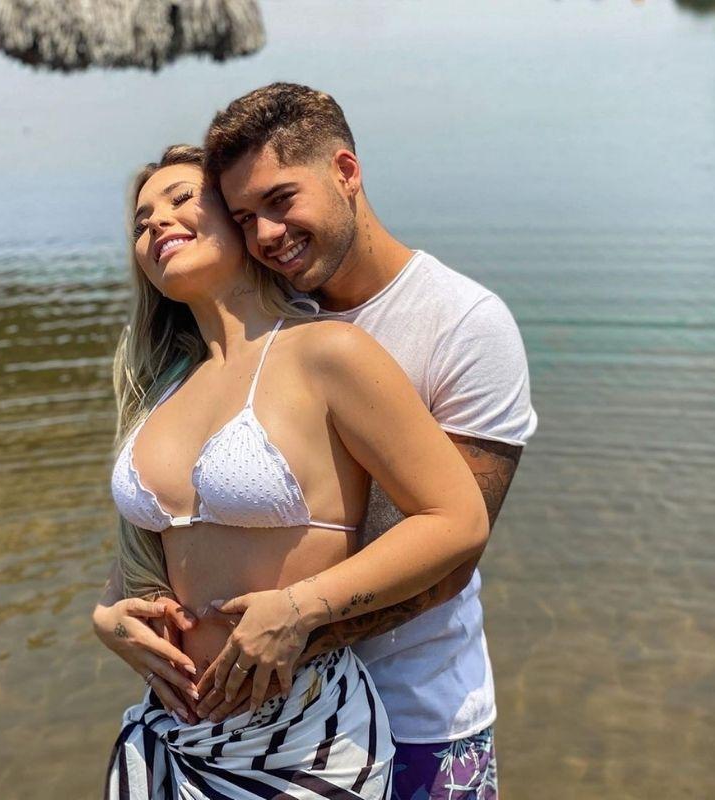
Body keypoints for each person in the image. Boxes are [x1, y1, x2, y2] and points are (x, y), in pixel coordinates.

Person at [99, 144, 489, 799]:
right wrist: (108, 620)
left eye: (181, 199)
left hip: (304, 735)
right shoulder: (161, 390)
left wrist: (299, 609)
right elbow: (146, 561)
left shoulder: (327, 353)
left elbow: (457, 519)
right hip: (174, 737)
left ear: (241, 222)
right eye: (141, 221)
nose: (156, 222)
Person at [195, 83, 538, 800]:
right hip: (275, 723)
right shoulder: (264, 319)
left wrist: (287, 634)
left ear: (346, 172)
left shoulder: (463, 323)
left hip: (420, 714)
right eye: (244, 218)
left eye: (281, 200)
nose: (265, 236)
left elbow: (452, 560)